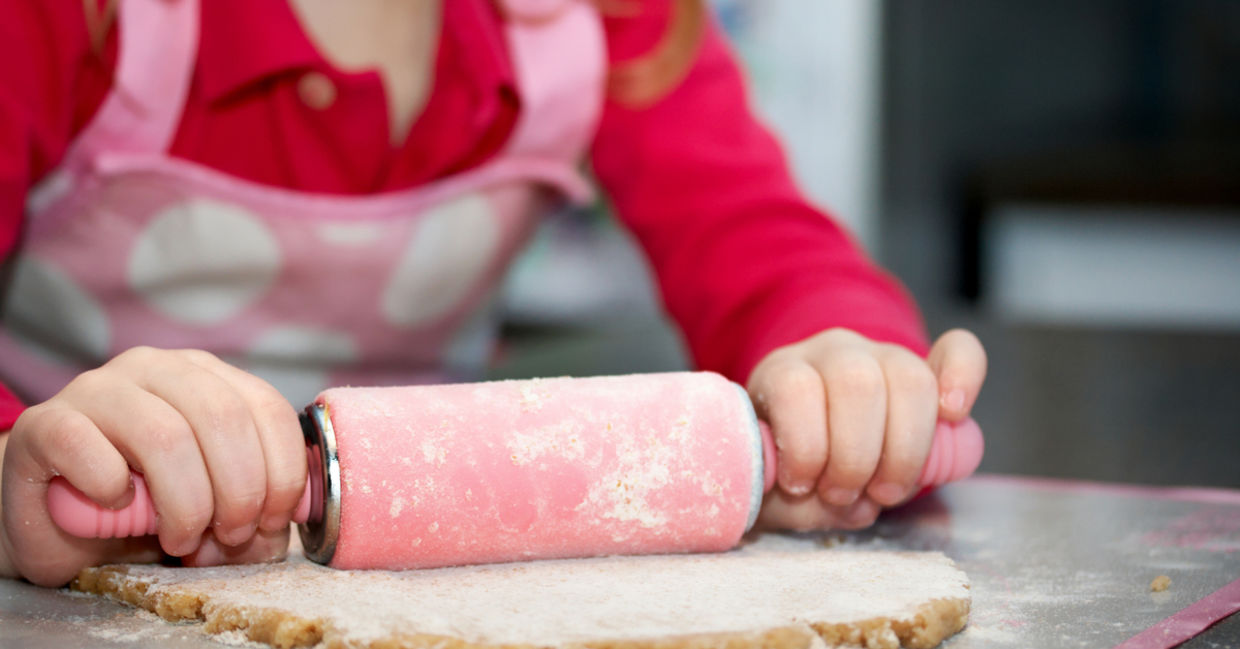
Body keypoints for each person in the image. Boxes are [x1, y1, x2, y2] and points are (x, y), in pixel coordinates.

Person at [0, 0, 987, 586]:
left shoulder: (593, 20)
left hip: (420, 557)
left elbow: (757, 240)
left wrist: (842, 368)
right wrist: (15, 478)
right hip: (104, 539)